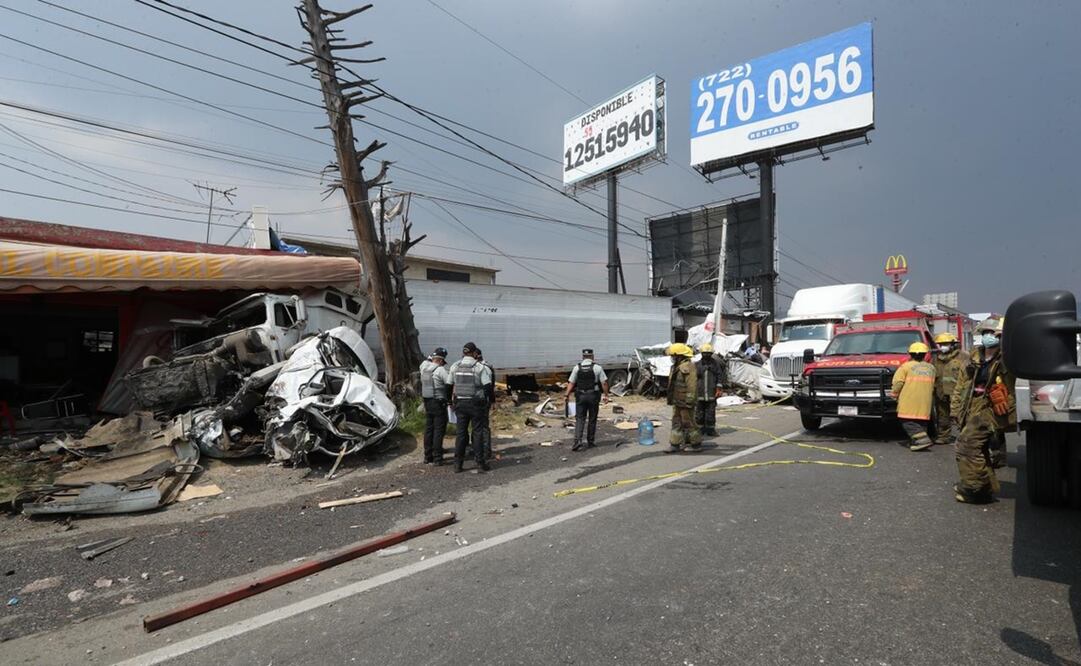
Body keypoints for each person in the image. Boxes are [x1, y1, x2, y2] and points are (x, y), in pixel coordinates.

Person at [951, 330, 1015, 504]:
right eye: (987, 332)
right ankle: (984, 488)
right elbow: (960, 387)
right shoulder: (972, 359)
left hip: (992, 408)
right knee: (979, 448)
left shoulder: (1008, 358)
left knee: (967, 444)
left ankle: (975, 489)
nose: (990, 336)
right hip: (972, 405)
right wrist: (955, 410)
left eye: (995, 334)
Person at [446, 342, 493, 473]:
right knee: (477, 433)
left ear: (464, 352)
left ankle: (458, 465)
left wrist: (449, 402)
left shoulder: (455, 366)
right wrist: (488, 401)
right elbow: (488, 386)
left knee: (461, 434)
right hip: (476, 404)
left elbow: (448, 385)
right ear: (474, 353)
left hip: (460, 404)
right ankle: (480, 463)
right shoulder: (479, 367)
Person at [891, 342, 936, 451]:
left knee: (907, 421)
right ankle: (917, 441)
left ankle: (923, 441)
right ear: (925, 354)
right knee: (921, 422)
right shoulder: (931, 368)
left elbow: (898, 383)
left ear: (910, 354)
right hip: (925, 401)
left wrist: (894, 394)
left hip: (909, 400)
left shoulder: (905, 367)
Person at [565, 348, 609, 451]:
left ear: (583, 357)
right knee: (592, 419)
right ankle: (590, 441)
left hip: (580, 396)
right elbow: (604, 383)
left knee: (580, 418)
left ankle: (577, 441)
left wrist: (566, 395)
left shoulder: (577, 368)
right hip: (593, 395)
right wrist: (606, 395)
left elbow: (571, 383)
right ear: (592, 357)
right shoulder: (597, 368)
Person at [931, 333, 968, 446]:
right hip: (941, 391)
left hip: (957, 393)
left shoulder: (963, 356)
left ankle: (965, 437)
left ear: (953, 345)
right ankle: (944, 436)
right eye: (941, 344)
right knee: (943, 415)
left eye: (946, 344)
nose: (943, 346)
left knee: (961, 415)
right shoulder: (936, 357)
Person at [666, 343, 700, 452]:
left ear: (679, 356)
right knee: (676, 422)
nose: (672, 358)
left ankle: (696, 444)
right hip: (677, 400)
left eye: (673, 356)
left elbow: (692, 385)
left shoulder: (688, 366)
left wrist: (689, 400)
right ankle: (674, 444)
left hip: (686, 401)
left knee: (689, 423)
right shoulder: (675, 367)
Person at [419, 347, 450, 465]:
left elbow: (427, 361)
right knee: (438, 430)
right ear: (441, 360)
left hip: (427, 401)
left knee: (429, 429)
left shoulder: (423, 367)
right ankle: (438, 457)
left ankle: (427, 456)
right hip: (438, 402)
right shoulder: (440, 370)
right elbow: (449, 383)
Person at [694, 343, 721, 436]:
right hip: (700, 393)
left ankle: (710, 429)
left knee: (711, 412)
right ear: (701, 354)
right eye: (704, 353)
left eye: (708, 353)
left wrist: (719, 388)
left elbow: (719, 376)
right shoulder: (697, 364)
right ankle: (700, 429)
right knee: (699, 413)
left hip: (711, 392)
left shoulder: (715, 364)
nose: (706, 355)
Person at [476, 349, 496, 461]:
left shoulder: (482, 368)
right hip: (485, 400)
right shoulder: (488, 367)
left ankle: (483, 451)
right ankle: (483, 450)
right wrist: (492, 400)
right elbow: (491, 386)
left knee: (480, 426)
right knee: (482, 426)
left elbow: (489, 387)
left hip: (481, 400)